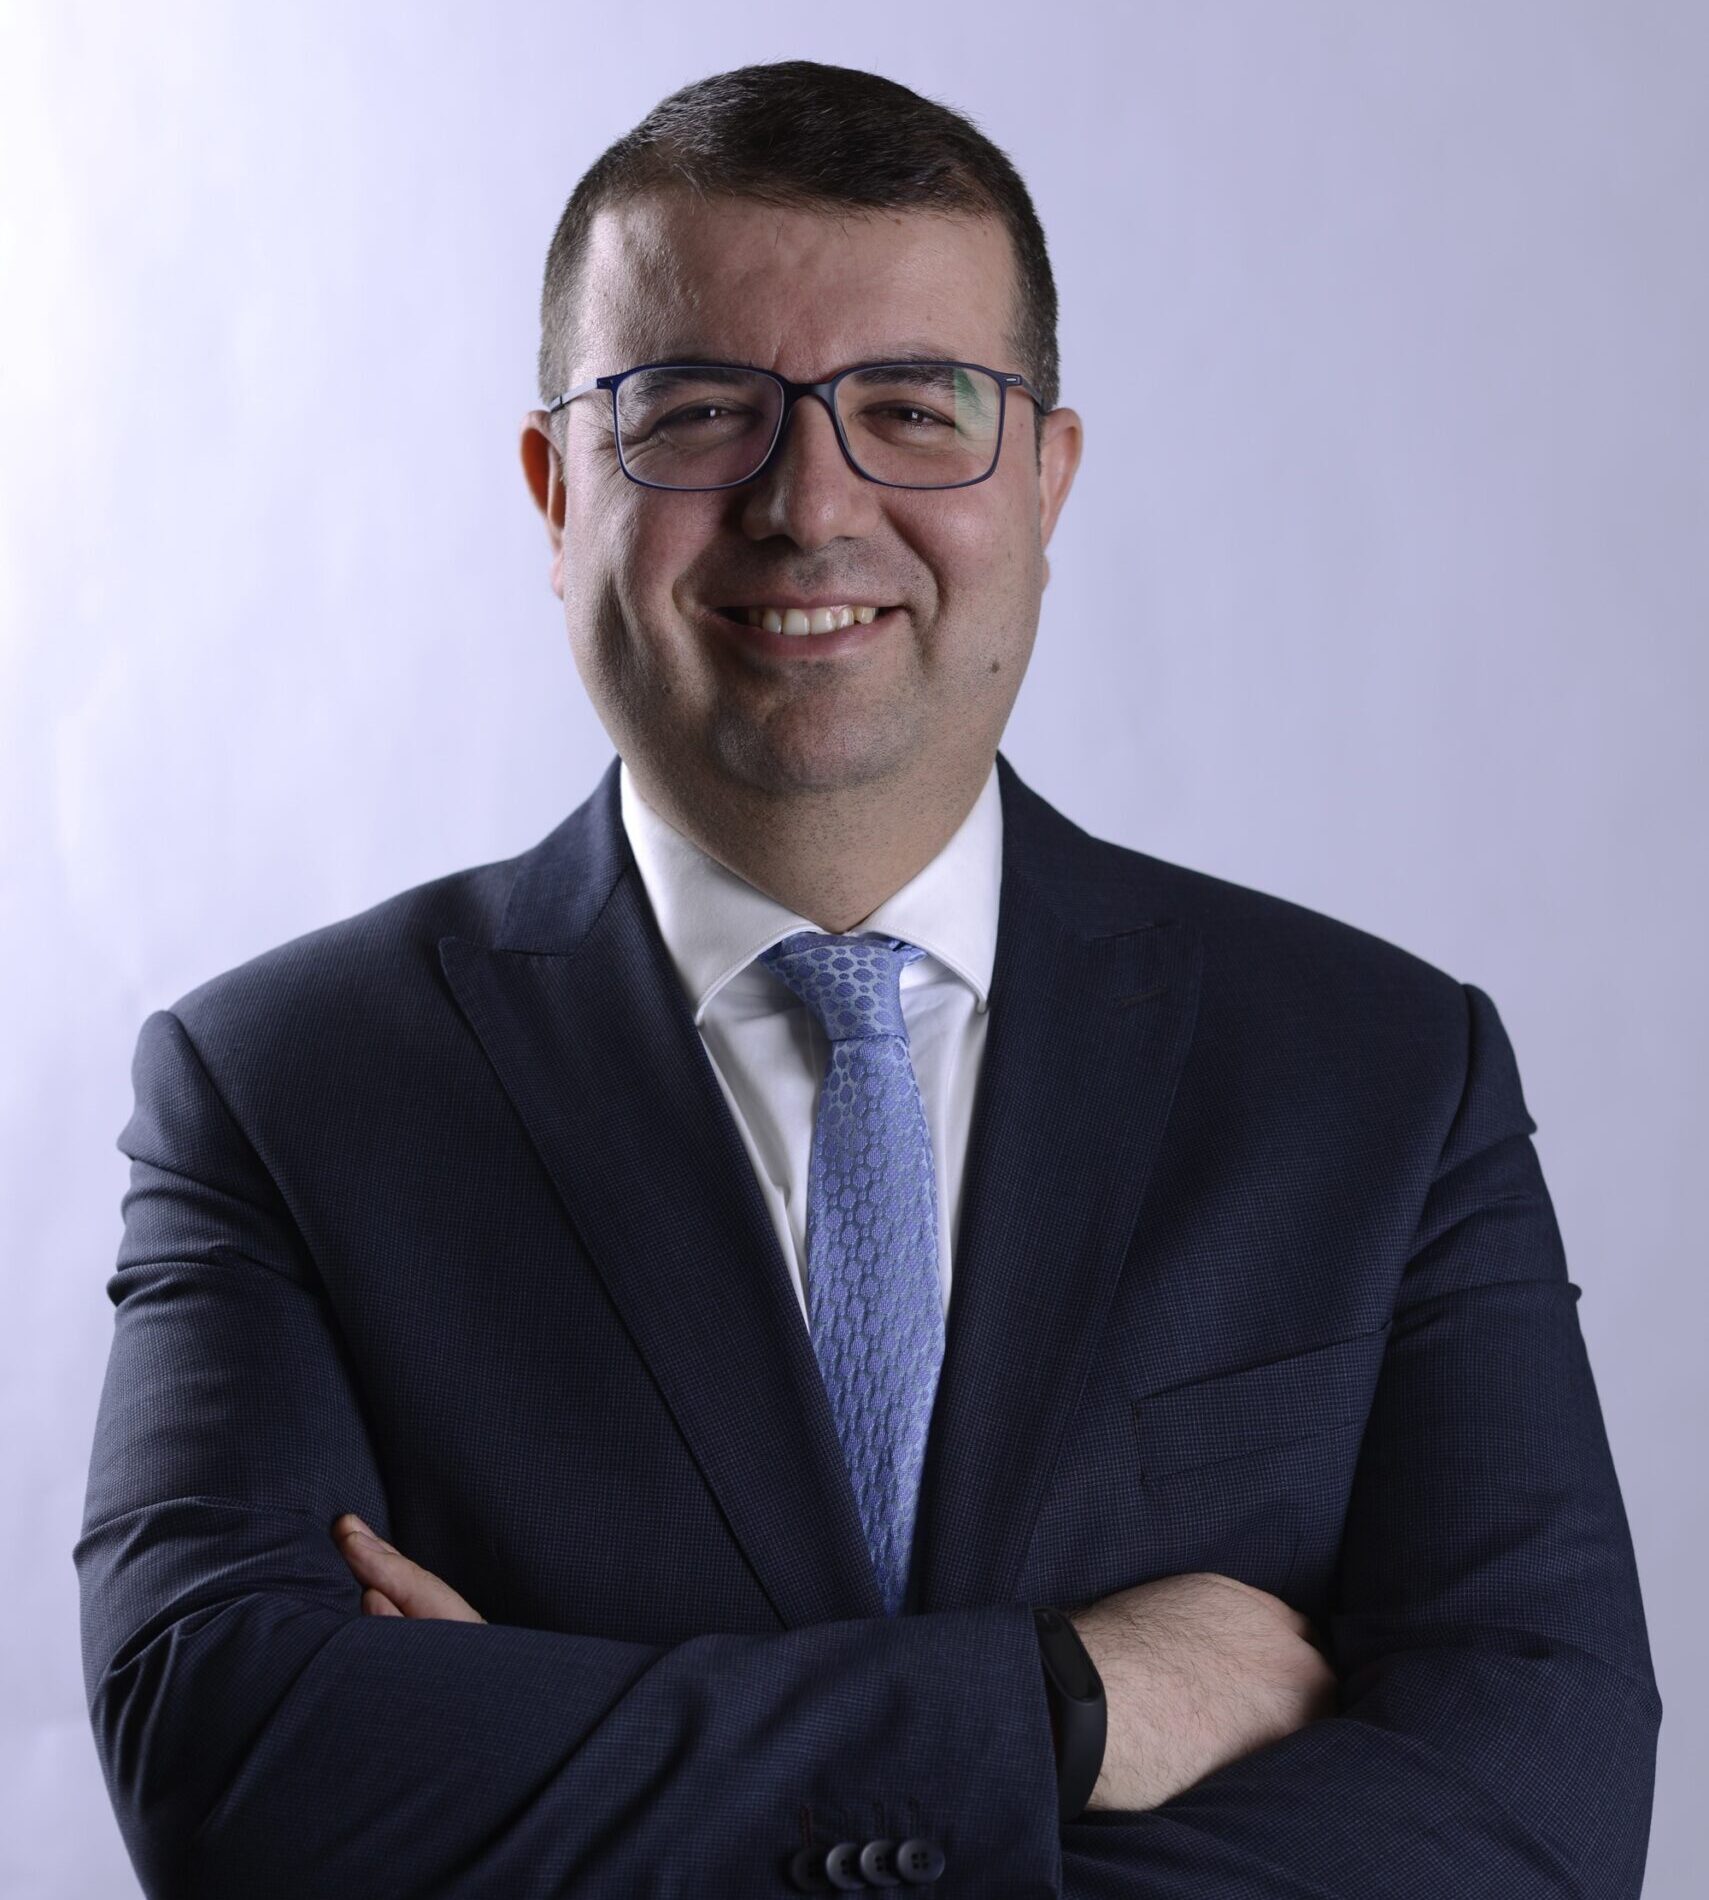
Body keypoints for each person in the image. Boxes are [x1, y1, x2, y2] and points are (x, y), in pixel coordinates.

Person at [75, 59, 1660, 1899]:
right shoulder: (284, 1087)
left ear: (1047, 484)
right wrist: (1059, 1705)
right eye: (694, 414)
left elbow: (1536, 1809)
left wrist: (554, 1777)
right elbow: (232, 1773)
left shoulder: (1380, 1074)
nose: (808, 505)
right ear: (555, 490)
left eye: (912, 410)